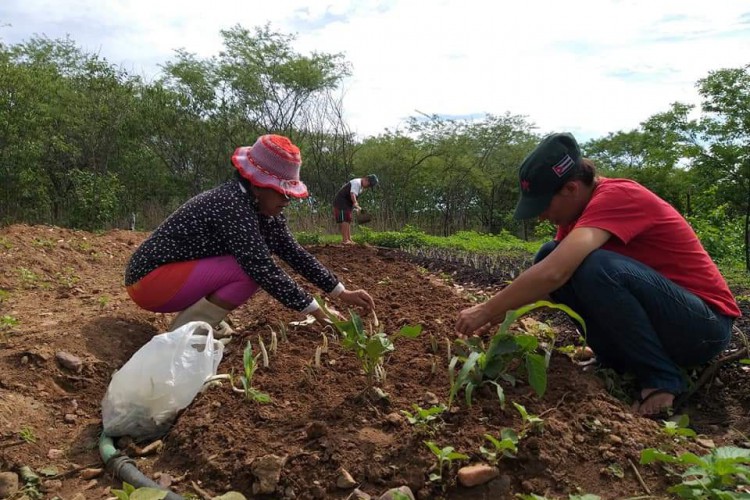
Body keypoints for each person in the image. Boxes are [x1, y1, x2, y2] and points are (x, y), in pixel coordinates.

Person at [456, 132, 740, 418]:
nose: (541, 216)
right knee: (549, 252)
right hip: (666, 322)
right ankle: (612, 361)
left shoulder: (619, 195)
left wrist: (484, 309)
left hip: (703, 328)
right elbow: (549, 274)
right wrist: (496, 317)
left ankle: (661, 379)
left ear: (571, 188)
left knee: (595, 267)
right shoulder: (577, 215)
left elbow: (556, 273)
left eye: (544, 206)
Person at [125, 134, 375, 339]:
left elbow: (293, 252)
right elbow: (262, 268)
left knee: (248, 264)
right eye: (281, 192)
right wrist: (317, 310)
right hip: (148, 282)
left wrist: (341, 292)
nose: (287, 200)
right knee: (248, 270)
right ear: (257, 183)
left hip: (169, 278)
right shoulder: (232, 204)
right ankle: (185, 336)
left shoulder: (261, 209)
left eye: (289, 194)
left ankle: (202, 323)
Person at [333, 174, 379, 244]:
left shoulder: (361, 187)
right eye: (369, 184)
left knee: (348, 219)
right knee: (345, 219)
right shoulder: (356, 182)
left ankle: (349, 239)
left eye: (370, 186)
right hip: (341, 201)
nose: (368, 187)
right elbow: (352, 194)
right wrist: (355, 203)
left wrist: (356, 207)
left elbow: (354, 195)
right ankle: (345, 240)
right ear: (366, 179)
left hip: (347, 203)